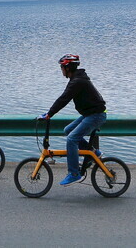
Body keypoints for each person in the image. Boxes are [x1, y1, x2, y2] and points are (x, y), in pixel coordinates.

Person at [38, 53, 107, 186]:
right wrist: (49, 113)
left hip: (96, 115)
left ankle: (74, 173)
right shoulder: (76, 79)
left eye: (62, 67)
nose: (61, 70)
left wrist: (49, 114)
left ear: (68, 67)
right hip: (91, 114)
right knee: (68, 130)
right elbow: (64, 98)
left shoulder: (77, 81)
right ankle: (94, 153)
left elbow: (64, 99)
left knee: (72, 139)